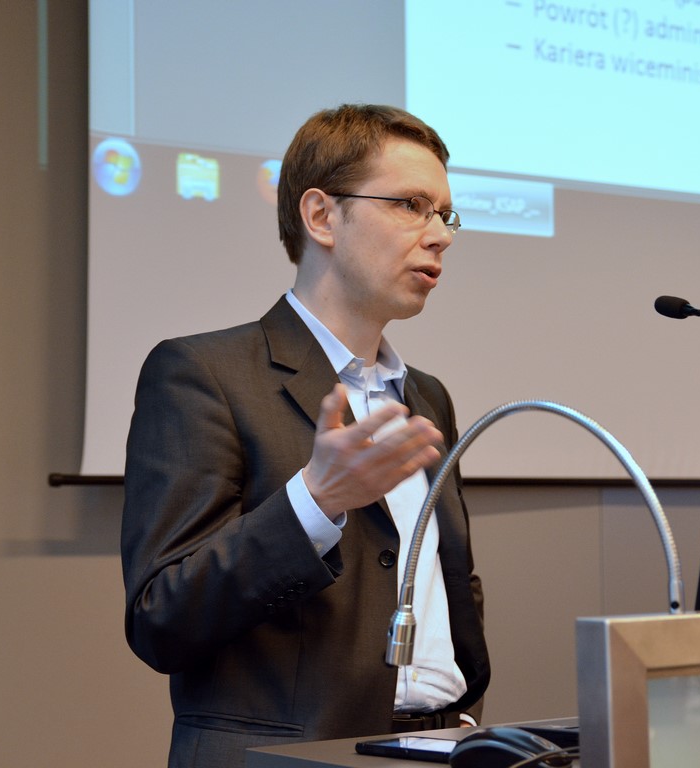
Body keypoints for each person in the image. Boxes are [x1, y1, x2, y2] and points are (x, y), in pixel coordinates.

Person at [121, 104, 490, 768]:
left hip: (440, 750)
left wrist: (462, 715)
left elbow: (449, 586)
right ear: (321, 216)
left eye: (445, 214)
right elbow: (160, 617)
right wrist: (314, 503)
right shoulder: (203, 374)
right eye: (411, 205)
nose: (441, 236)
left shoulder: (427, 395)